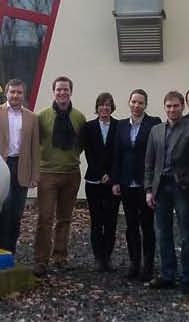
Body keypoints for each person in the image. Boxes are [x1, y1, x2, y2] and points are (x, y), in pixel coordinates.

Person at [144, 91, 189, 294]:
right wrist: (149, 189)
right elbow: (150, 162)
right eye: (168, 106)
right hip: (160, 187)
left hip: (183, 188)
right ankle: (167, 274)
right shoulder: (156, 130)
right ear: (164, 107)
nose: (172, 110)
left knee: (187, 232)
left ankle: (188, 276)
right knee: (163, 232)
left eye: (176, 106)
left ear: (182, 107)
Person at [34, 76, 87, 275]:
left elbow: (81, 144)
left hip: (71, 174)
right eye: (59, 89)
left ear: (71, 92)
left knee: (65, 218)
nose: (62, 93)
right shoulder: (42, 116)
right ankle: (41, 260)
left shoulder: (79, 118)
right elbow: (36, 142)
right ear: (53, 92)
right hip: (47, 173)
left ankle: (60, 257)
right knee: (45, 218)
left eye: (66, 89)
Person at [0, 79, 41, 254]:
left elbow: (35, 148)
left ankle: (10, 251)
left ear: (24, 95)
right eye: (12, 92)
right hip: (0, 166)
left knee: (17, 212)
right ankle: (0, 248)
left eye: (19, 92)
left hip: (21, 166)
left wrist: (35, 175)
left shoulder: (32, 118)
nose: (15, 95)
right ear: (6, 93)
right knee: (4, 208)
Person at [112, 89, 161, 281]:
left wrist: (153, 184)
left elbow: (156, 154)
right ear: (129, 103)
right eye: (133, 102)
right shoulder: (121, 125)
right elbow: (117, 154)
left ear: (145, 105)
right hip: (126, 183)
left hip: (145, 183)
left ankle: (148, 266)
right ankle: (134, 263)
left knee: (147, 226)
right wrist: (116, 180)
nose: (136, 105)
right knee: (131, 226)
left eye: (140, 102)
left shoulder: (154, 123)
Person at [80, 92, 119, 272]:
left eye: (108, 105)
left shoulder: (119, 126)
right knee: (96, 220)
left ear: (112, 107)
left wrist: (111, 175)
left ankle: (107, 257)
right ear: (97, 107)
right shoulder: (88, 127)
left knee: (111, 221)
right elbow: (89, 153)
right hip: (94, 180)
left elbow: (119, 153)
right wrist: (101, 173)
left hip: (113, 182)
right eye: (102, 105)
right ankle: (98, 258)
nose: (105, 108)